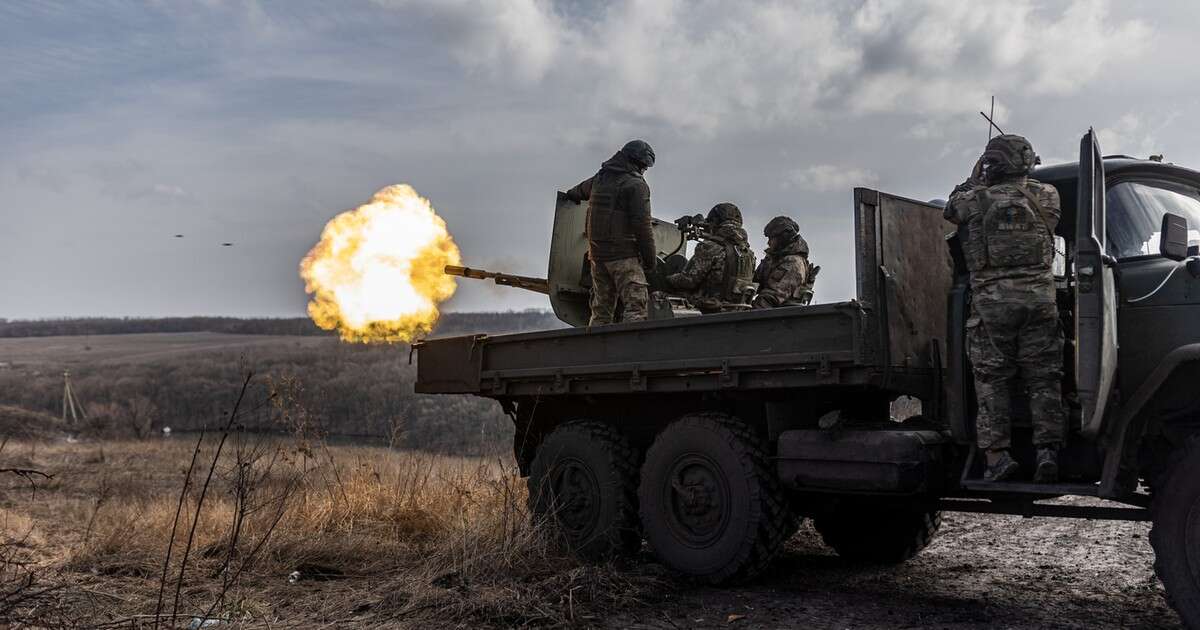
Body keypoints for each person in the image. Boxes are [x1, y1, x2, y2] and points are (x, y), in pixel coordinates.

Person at [945, 134, 1064, 483]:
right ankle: (1047, 452)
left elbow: (950, 209)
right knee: (1044, 379)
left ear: (992, 164)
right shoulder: (1048, 196)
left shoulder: (974, 199)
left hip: (993, 306)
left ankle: (997, 457)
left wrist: (973, 177)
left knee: (992, 381)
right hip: (1040, 302)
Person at [564, 140, 657, 325]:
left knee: (601, 309)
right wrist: (650, 260)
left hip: (598, 257)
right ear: (635, 162)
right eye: (643, 167)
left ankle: (597, 348)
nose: (644, 171)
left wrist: (569, 194)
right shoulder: (636, 186)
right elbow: (642, 226)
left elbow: (577, 191)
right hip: (623, 257)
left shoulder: (600, 179)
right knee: (636, 306)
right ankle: (631, 349)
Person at [664, 203, 756, 313]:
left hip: (709, 306)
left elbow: (688, 281)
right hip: (735, 309)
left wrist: (668, 278)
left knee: (659, 295)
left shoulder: (710, 247)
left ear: (715, 222)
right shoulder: (748, 253)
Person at [752, 216, 817, 309]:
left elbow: (773, 296)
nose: (768, 243)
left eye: (771, 238)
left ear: (782, 238)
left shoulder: (793, 263)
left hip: (777, 315)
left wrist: (746, 314)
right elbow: (755, 282)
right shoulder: (774, 259)